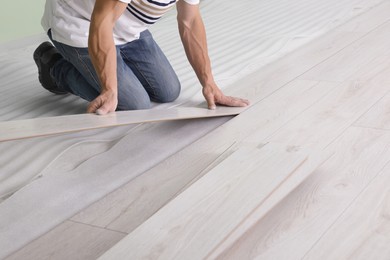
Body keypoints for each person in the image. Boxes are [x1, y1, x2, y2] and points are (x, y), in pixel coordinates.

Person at [34, 0, 249, 115]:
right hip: (80, 22)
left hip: (127, 26)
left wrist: (209, 83)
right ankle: (54, 67)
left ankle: (111, 66)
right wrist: (110, 89)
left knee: (168, 91)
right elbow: (102, 22)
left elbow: (190, 22)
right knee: (134, 103)